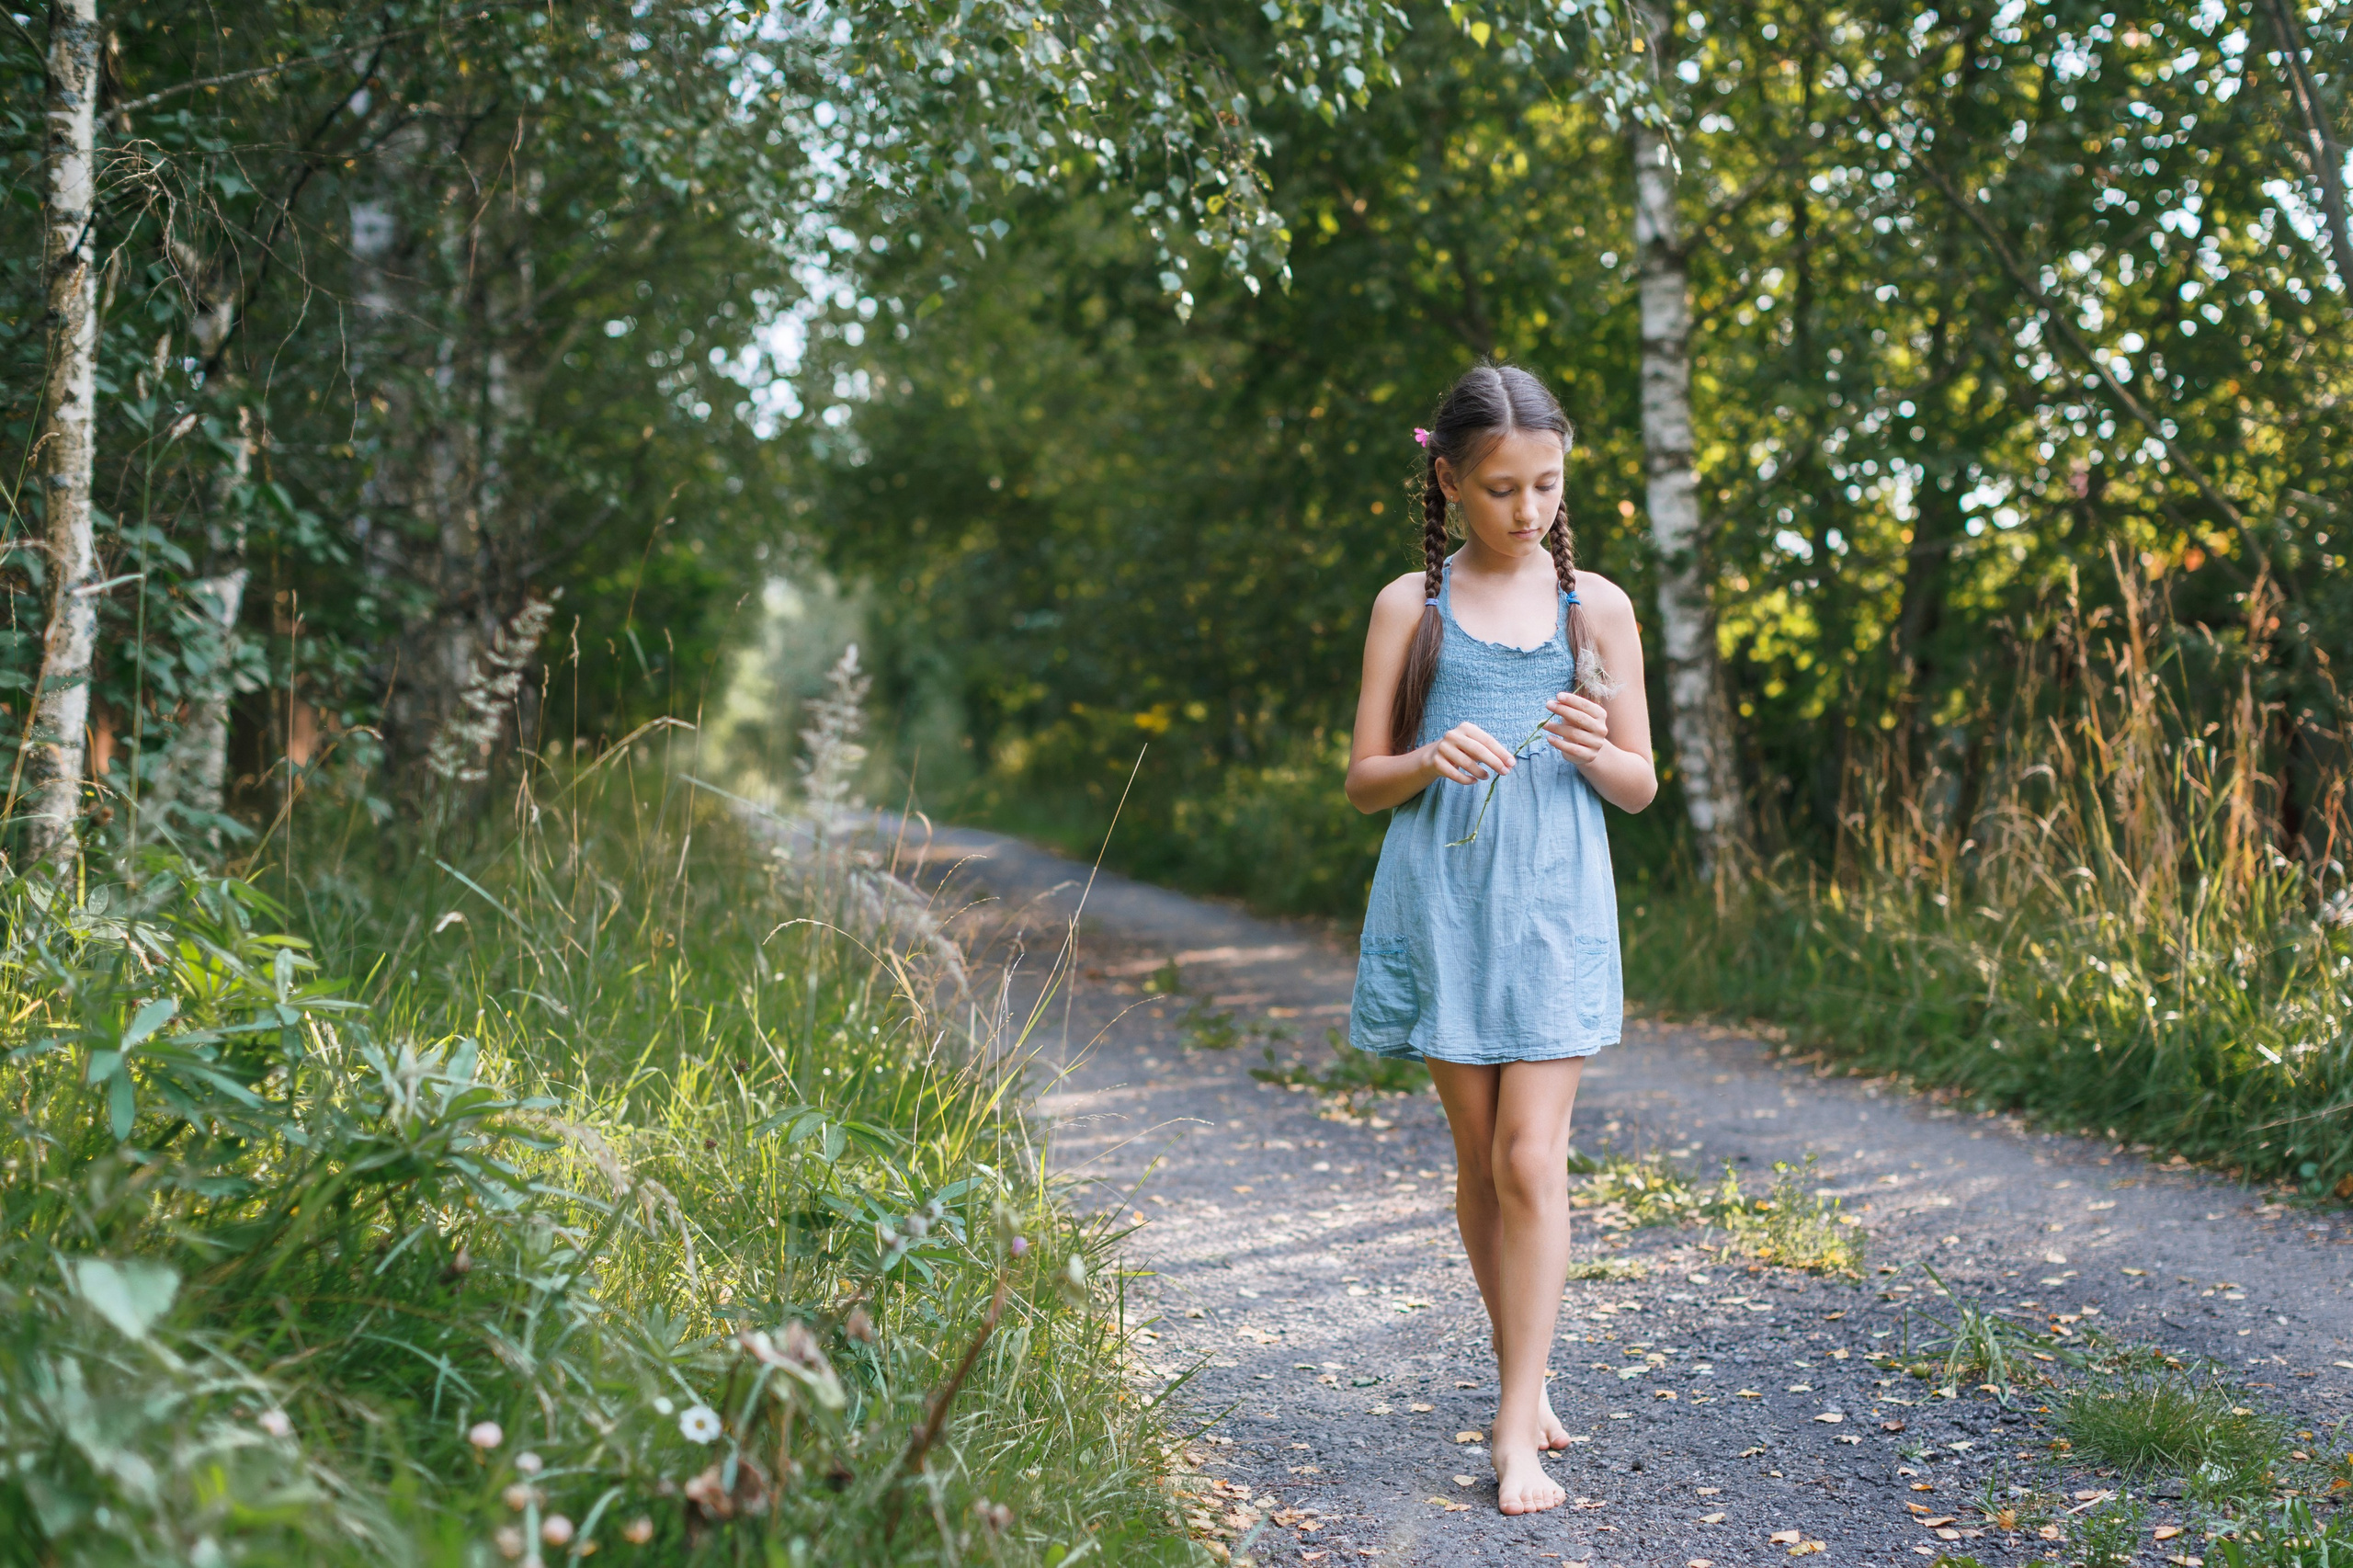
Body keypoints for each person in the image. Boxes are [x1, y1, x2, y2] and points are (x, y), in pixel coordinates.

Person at [1341, 363, 1657, 1516]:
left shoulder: (1600, 608)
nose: (1529, 510)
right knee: (1478, 1165)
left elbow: (1639, 785)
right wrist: (1429, 756)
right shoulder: (1406, 606)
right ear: (1449, 481)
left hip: (1555, 908)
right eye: (1502, 488)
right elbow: (1362, 780)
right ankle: (1524, 1372)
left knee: (1532, 1158)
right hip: (1444, 903)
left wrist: (1587, 745)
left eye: (1548, 485)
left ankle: (1511, 1429)